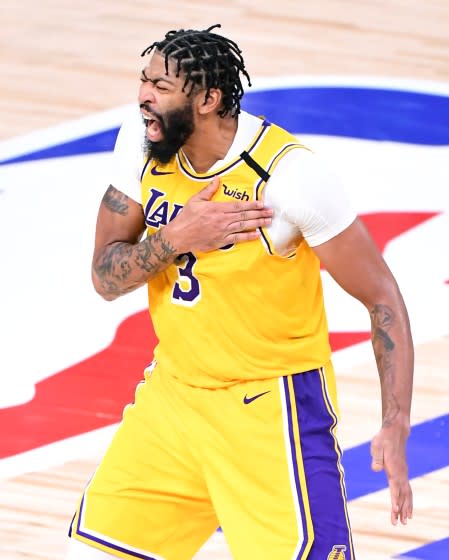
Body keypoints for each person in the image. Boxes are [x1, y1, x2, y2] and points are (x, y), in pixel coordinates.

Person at [65, 24, 413, 560]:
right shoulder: (141, 143)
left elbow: (383, 296)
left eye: (161, 86)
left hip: (270, 409)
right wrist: (175, 238)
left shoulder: (288, 176)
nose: (143, 97)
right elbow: (105, 276)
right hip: (175, 398)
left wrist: (395, 423)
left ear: (209, 98)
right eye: (143, 80)